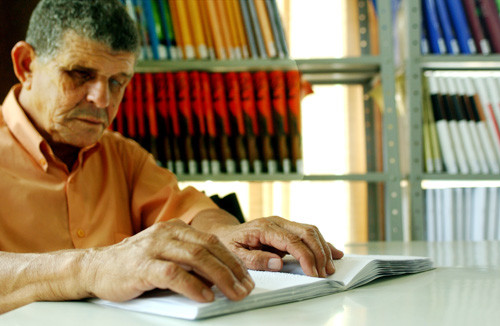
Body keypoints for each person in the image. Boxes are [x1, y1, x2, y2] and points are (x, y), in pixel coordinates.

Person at [0, 0, 343, 314]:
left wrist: (231, 235)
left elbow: (191, 213)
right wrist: (92, 267)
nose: (103, 99)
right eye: (80, 75)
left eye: (118, 81)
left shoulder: (123, 155)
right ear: (26, 64)